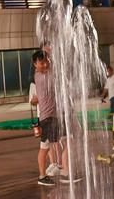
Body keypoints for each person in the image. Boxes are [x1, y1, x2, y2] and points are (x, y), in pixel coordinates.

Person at [29, 49, 80, 186]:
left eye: (47, 61)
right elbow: (59, 73)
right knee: (45, 147)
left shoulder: (42, 75)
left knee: (64, 141)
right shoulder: (42, 77)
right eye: (42, 62)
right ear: (35, 64)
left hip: (52, 117)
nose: (45, 64)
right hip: (48, 118)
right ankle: (45, 175)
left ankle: (63, 172)